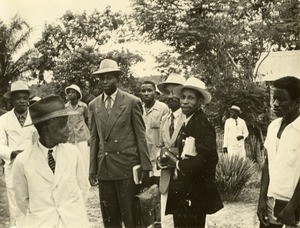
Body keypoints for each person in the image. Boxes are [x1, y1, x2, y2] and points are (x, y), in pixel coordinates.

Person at [89, 59, 152, 227]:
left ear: (117, 78)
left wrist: (146, 167)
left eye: (109, 78)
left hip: (126, 167)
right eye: (101, 78)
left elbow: (141, 136)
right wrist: (92, 168)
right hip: (105, 167)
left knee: (130, 215)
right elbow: (94, 138)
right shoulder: (94, 105)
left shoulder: (132, 101)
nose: (104, 82)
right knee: (109, 217)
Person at [13, 95, 90, 228]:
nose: (68, 129)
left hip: (73, 222)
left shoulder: (73, 153)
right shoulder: (22, 161)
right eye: (62, 125)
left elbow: (83, 187)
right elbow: (22, 201)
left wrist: (72, 214)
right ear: (45, 128)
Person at [162, 77, 223, 227]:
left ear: (199, 102)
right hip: (184, 189)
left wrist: (177, 163)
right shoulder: (188, 122)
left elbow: (207, 158)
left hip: (195, 192)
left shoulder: (202, 124)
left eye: (191, 98)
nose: (184, 102)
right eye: (183, 97)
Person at [257, 76, 300, 228]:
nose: (275, 104)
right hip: (271, 201)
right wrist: (261, 200)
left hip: (294, 205)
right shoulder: (273, 126)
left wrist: (291, 207)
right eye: (274, 99)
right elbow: (268, 164)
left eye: (282, 100)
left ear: (297, 102)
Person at [0, 80, 38, 227]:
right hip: (13, 166)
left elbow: (40, 141)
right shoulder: (3, 120)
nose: (22, 101)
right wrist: (12, 153)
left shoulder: (36, 117)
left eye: (25, 97)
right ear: (12, 100)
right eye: (18, 98)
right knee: (16, 208)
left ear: (29, 99)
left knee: (34, 204)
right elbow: (1, 144)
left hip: (34, 165)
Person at [156, 73, 186, 228]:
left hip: (185, 177)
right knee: (167, 220)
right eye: (167, 93)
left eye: (175, 92)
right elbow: (161, 146)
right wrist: (159, 160)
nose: (170, 96)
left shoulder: (190, 118)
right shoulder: (165, 119)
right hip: (167, 177)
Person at [140, 80, 169, 185]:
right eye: (143, 91)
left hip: (157, 156)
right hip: (142, 156)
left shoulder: (163, 108)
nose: (146, 93)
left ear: (155, 92)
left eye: (149, 90)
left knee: (157, 186)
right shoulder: (138, 109)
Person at [65, 84, 90, 177]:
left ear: (78, 94)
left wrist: (89, 136)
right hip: (70, 137)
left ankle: (85, 180)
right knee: (71, 160)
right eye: (69, 92)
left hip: (82, 136)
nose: (70, 94)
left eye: (73, 92)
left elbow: (87, 120)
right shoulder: (65, 107)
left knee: (84, 159)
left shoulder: (83, 106)